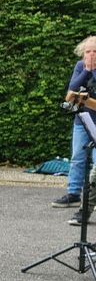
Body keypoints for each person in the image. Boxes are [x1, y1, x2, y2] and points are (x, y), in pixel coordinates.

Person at [55, 37, 96, 209]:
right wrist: (87, 70)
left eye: (95, 51)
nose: (91, 55)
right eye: (88, 51)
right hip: (82, 119)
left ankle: (92, 200)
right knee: (77, 157)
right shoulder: (80, 66)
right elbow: (72, 88)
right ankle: (73, 193)